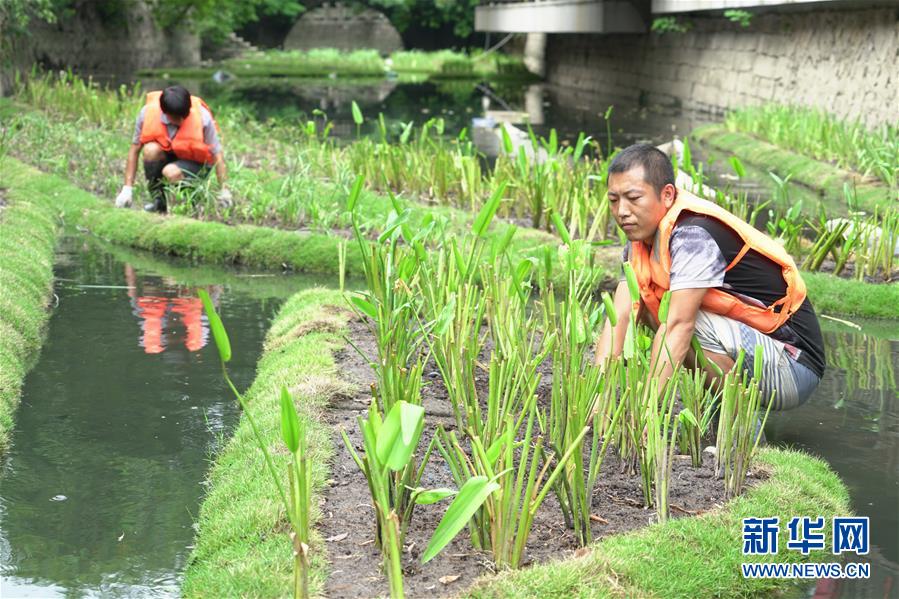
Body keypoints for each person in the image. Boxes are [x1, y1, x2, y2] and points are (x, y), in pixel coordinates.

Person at [594, 144, 825, 411]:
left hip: (793, 366)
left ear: (667, 195)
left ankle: (740, 420)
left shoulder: (693, 235)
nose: (621, 210)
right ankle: (722, 404)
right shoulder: (639, 241)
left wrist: (645, 415)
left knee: (681, 319)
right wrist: (597, 401)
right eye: (613, 200)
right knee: (650, 305)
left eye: (633, 198)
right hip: (756, 351)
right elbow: (619, 318)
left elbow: (678, 326)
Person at [115, 85, 231, 213]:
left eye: (184, 116)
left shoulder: (203, 117)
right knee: (150, 150)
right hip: (169, 157)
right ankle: (159, 202)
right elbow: (134, 150)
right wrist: (127, 189)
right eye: (176, 117)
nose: (181, 121)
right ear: (165, 113)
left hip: (197, 164)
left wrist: (224, 189)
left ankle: (191, 203)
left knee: (170, 172)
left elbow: (217, 155)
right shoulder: (147, 114)